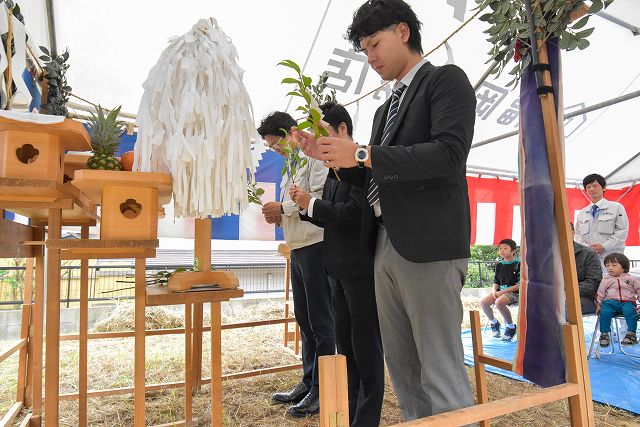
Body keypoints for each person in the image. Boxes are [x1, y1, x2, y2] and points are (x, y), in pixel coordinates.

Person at [292, 0, 476, 419]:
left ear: (403, 31)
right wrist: (331, 160)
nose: (370, 57)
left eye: (374, 44)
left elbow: (448, 155)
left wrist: (360, 152)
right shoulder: (383, 109)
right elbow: (375, 178)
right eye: (364, 49)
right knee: (404, 367)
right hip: (383, 243)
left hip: (428, 245)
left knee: (439, 367)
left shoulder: (445, 81)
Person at [290, 102, 384, 426]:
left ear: (343, 129)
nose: (321, 145)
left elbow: (354, 214)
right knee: (346, 350)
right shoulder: (331, 170)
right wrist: (305, 205)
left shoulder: (362, 165)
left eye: (325, 134)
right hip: (337, 268)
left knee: (366, 348)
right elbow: (329, 211)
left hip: (360, 269)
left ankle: (367, 417)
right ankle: (351, 411)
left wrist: (312, 203)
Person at [257, 112, 334, 418]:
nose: (276, 152)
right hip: (298, 247)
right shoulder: (290, 166)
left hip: (317, 243)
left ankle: (324, 387)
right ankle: (308, 380)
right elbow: (294, 205)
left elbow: (318, 196)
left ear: (291, 133)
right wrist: (278, 214)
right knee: (304, 319)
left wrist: (283, 208)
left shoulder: (313, 157)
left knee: (321, 321)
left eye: (277, 145)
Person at [574, 173, 629, 272]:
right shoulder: (582, 213)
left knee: (613, 285)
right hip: (588, 259)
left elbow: (622, 231)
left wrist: (604, 246)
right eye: (588, 187)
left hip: (612, 260)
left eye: (595, 186)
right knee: (592, 284)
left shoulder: (616, 207)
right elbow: (577, 235)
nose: (591, 189)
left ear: (604, 187)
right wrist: (587, 249)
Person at [596, 253, 640, 347]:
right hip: (610, 303)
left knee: (630, 312)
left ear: (623, 266)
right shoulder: (606, 280)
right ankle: (604, 334)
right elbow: (600, 294)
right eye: (607, 265)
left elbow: (638, 291)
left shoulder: (631, 279)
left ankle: (631, 334)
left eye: (614, 265)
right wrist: (598, 304)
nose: (610, 268)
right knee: (604, 312)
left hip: (628, 302)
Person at [480, 239, 520, 341]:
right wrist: (494, 291)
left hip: (516, 293)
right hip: (500, 292)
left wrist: (503, 292)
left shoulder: (519, 264)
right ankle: (494, 323)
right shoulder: (499, 265)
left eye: (505, 248)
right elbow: (496, 281)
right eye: (500, 248)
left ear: (513, 251)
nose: (502, 250)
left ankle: (511, 327)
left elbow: (520, 285)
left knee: (499, 302)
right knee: (484, 302)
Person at [570, 222, 603, 314]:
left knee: (562, 309)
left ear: (573, 233)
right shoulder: (545, 254)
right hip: (551, 296)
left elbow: (594, 282)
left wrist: (567, 291)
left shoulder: (588, 253)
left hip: (581, 297)